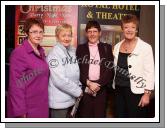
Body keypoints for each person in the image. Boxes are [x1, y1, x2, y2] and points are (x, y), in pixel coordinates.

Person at [112, 14, 154, 118]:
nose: (129, 30)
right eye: (126, 27)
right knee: (120, 118)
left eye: (133, 27)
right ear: (122, 29)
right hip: (118, 90)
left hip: (136, 92)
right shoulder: (117, 46)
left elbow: (150, 72)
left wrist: (147, 94)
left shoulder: (145, 47)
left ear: (136, 29)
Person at [7, 17, 49, 118]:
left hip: (41, 105)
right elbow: (16, 86)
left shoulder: (41, 51)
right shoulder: (19, 53)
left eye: (40, 32)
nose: (38, 35)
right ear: (27, 33)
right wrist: (21, 113)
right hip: (28, 109)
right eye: (34, 32)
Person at [76, 20, 114, 117]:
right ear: (86, 33)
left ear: (100, 33)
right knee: (84, 117)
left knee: (99, 116)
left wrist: (98, 84)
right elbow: (77, 70)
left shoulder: (107, 48)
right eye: (90, 31)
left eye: (95, 31)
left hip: (101, 90)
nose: (92, 34)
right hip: (85, 89)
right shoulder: (80, 48)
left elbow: (110, 70)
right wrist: (88, 83)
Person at [46, 23, 83, 118]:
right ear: (57, 37)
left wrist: (78, 86)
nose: (67, 38)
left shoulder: (72, 51)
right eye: (63, 35)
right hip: (59, 102)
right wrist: (78, 91)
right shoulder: (54, 54)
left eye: (69, 35)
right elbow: (59, 80)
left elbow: (75, 73)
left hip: (71, 99)